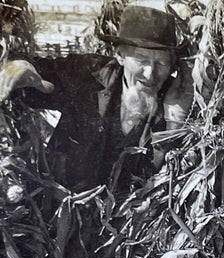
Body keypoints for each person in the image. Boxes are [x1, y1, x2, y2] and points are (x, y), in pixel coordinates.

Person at [0, 5, 192, 195]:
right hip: (63, 208)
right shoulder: (87, 75)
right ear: (120, 55)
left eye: (161, 63)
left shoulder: (176, 100)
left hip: (131, 220)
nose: (150, 73)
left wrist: (175, 119)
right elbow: (32, 73)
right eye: (141, 60)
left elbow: (172, 177)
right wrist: (19, 66)